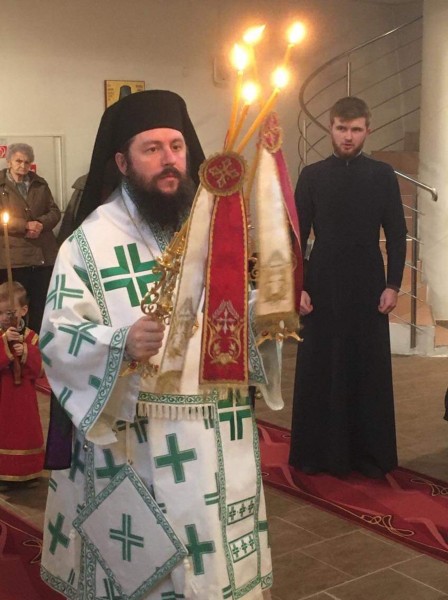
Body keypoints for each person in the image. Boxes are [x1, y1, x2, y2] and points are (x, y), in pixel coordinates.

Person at [40, 90, 273, 599]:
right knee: (147, 570)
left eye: (176, 146)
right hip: (138, 437)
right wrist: (119, 342)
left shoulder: (211, 229)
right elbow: (58, 335)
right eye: (152, 148)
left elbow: (230, 309)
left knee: (213, 558)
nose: (170, 159)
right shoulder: (88, 243)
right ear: (122, 162)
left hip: (215, 426)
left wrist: (270, 308)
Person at [289, 96, 407, 479]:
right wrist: (297, 286)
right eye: (342, 128)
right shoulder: (312, 175)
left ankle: (368, 455)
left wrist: (393, 284)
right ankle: (318, 454)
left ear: (367, 130)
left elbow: (397, 234)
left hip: (368, 282)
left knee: (366, 369)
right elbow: (295, 237)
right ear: (330, 127)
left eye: (356, 130)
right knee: (322, 367)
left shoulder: (382, 175)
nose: (348, 137)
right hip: (322, 283)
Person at [0, 143, 61, 332]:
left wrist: (40, 224)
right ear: (9, 161)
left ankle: (36, 344)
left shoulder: (40, 183)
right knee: (13, 308)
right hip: (14, 259)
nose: (23, 166)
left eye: (27, 162)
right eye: (18, 161)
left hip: (42, 257)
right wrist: (24, 225)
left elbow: (54, 211)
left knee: (41, 306)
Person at [0, 281, 45, 491]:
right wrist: (4, 344)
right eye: (0, 313)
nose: (4, 318)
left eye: (9, 313)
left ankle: (28, 471)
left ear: (24, 310)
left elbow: (41, 370)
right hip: (3, 394)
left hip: (24, 396)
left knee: (25, 431)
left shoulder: (31, 338)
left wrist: (26, 351)